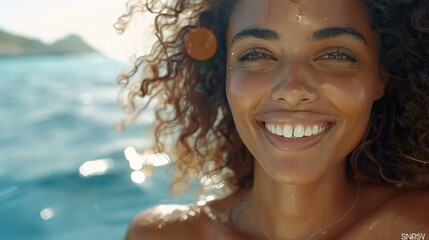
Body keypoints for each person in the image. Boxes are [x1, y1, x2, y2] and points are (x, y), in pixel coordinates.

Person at [118, 0, 429, 239]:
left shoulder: (416, 228)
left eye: (336, 55)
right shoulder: (160, 236)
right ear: (223, 74)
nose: (292, 90)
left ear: (380, 76)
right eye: (256, 54)